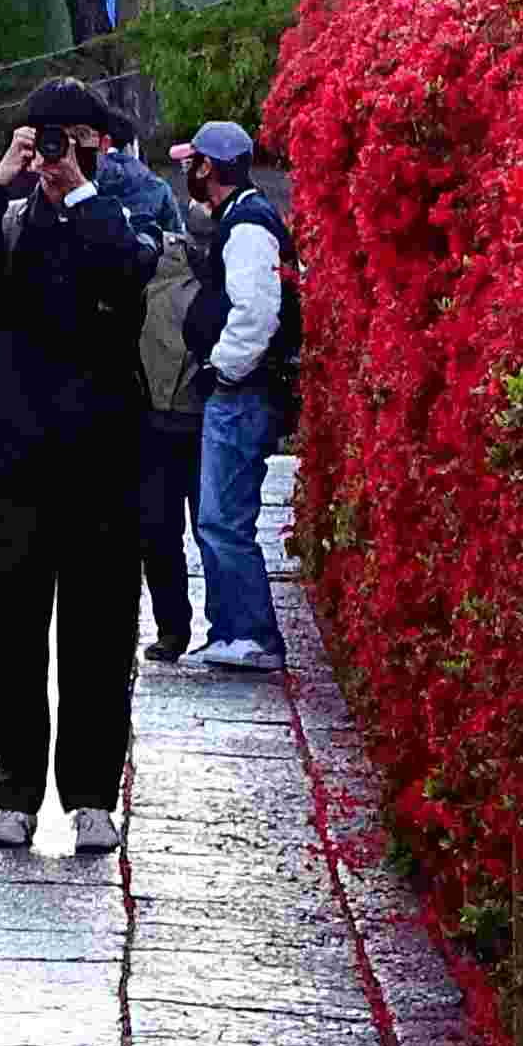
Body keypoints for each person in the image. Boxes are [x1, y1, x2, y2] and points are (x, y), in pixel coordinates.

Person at [0, 76, 158, 855]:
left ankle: (92, 794)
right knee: (7, 632)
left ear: (97, 143)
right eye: (44, 138)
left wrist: (80, 194)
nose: (57, 152)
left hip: (102, 457)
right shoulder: (7, 218)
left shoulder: (131, 209)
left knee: (100, 633)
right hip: (15, 455)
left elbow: (125, 274)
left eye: (70, 138)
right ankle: (15, 791)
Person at [172, 121, 298, 670]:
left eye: (192, 162)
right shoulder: (243, 218)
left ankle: (252, 634)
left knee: (224, 517)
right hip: (242, 387)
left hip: (243, 391)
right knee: (220, 517)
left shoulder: (247, 226)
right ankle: (230, 632)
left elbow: (255, 312)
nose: (185, 172)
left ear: (209, 168)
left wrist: (222, 368)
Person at [111, 132, 206, 663]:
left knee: (174, 530)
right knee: (178, 529)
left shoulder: (212, 267)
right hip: (171, 414)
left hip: (175, 414)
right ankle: (186, 626)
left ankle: (183, 627)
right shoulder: (163, 267)